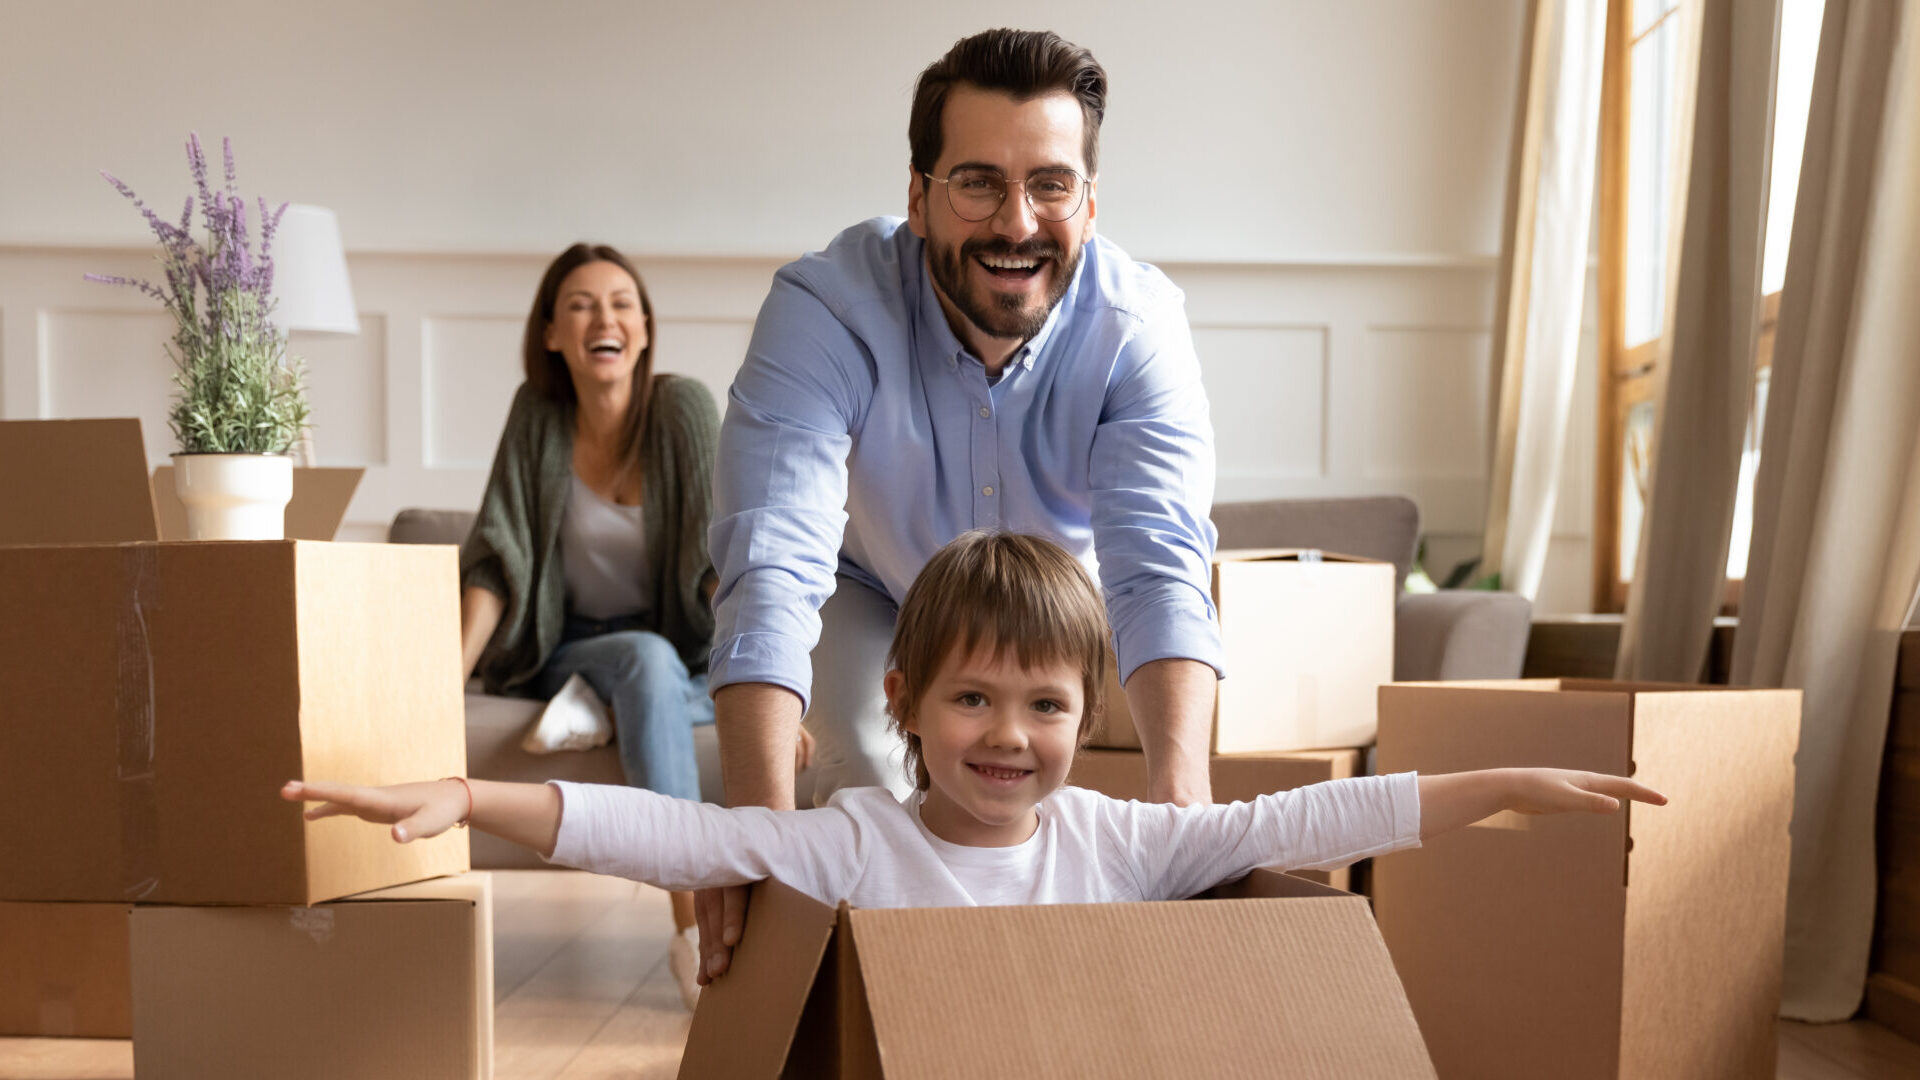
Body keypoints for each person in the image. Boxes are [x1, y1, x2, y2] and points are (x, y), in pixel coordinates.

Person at [286, 532, 1664, 918]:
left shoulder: (1119, 845)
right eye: (972, 699)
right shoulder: (857, 843)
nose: (1011, 736)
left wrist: (1494, 779)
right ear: (905, 704)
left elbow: (1307, 819)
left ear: (1089, 715)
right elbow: (671, 835)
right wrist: (474, 802)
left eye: (1048, 705)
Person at [702, 27, 1223, 983]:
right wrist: (754, 839)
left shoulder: (1139, 330)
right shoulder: (825, 309)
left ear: (1090, 203)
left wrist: (1181, 808)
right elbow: (772, 564)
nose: (1016, 222)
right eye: (978, 181)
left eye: (1050, 185)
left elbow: (1157, 569)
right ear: (919, 196)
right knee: (864, 774)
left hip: (1044, 598)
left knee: (1013, 811)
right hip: (868, 581)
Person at [457, 242, 752, 1009]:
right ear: (552, 332)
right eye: (581, 305)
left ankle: (606, 711)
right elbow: (497, 557)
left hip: (675, 652)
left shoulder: (684, 411)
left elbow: (722, 559)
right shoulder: (537, 415)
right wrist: (444, 680)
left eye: (622, 302)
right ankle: (692, 931)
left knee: (654, 668)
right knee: (645, 662)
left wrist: (765, 683)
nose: (604, 317)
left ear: (646, 329)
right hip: (567, 646)